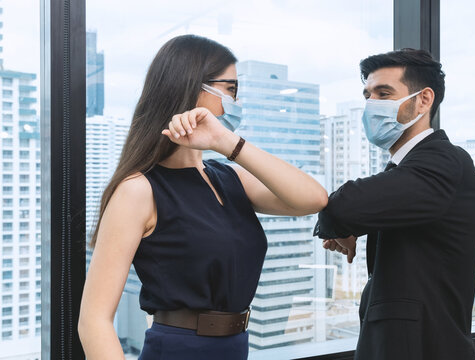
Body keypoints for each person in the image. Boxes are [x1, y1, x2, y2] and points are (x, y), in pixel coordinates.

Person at [78, 34, 328, 360]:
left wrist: (227, 143)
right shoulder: (139, 189)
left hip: (236, 347)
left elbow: (314, 199)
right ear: (190, 86)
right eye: (231, 89)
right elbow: (93, 320)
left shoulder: (229, 177)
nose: (237, 102)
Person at [314, 49, 475, 360]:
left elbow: (343, 206)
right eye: (368, 94)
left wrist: (345, 222)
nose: (371, 105)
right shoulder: (406, 169)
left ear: (423, 100)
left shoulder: (442, 160)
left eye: (384, 93)